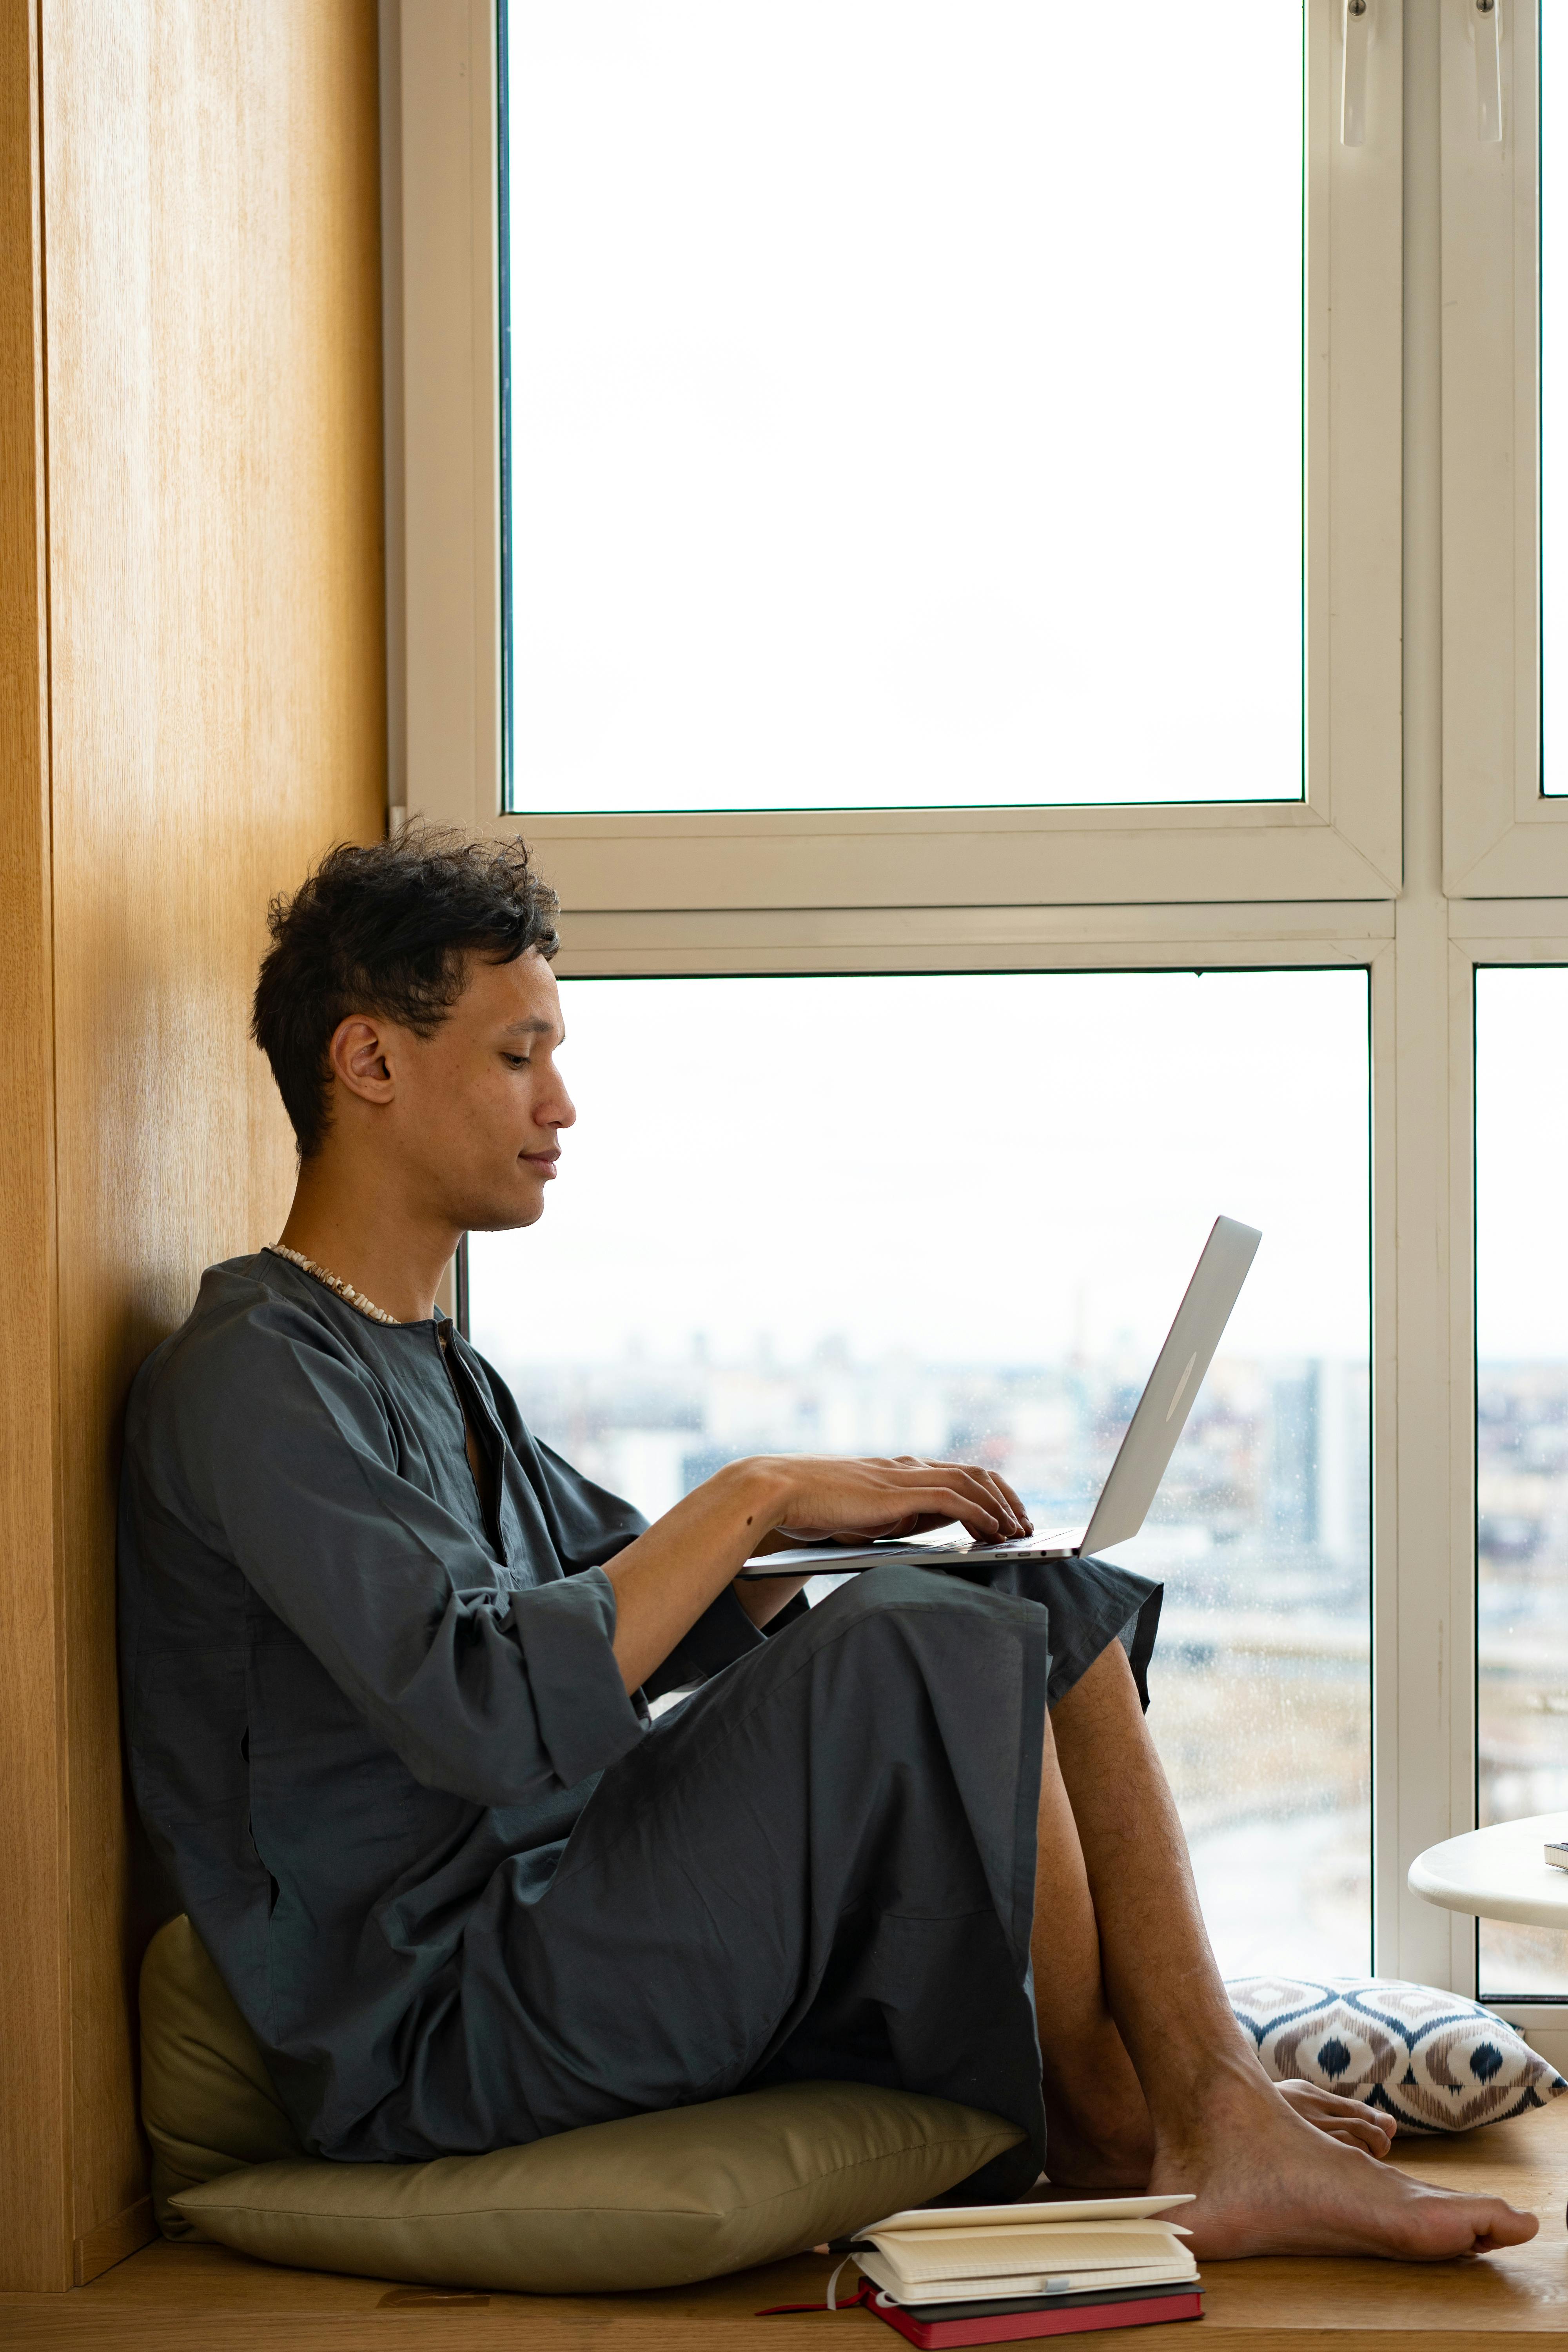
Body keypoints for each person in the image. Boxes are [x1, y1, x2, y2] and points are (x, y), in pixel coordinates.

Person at [118, 827, 1535, 2263]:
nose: (563, 1102)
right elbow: (491, 1712)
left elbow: (650, 1607)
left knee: (1034, 1597)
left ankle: (1195, 2100)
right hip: (438, 2025)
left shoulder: (443, 1370)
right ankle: (1136, 2114)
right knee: (929, 1631)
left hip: (557, 1930)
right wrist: (765, 1492)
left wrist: (898, 1543)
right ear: (369, 1064)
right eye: (517, 1055)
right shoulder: (254, 1374)